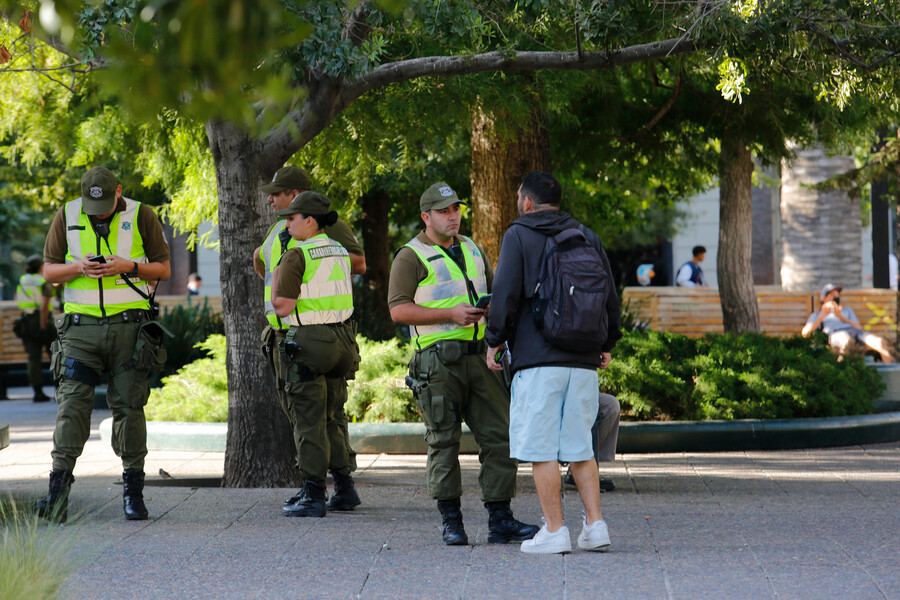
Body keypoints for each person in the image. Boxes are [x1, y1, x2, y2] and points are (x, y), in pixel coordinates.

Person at [388, 182, 538, 547]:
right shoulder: (410, 256)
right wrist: (451, 314)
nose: (452, 216)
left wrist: (490, 310)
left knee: (500, 437)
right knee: (443, 441)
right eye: (443, 211)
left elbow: (494, 289)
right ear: (426, 217)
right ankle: (451, 521)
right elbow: (397, 310)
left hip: (483, 358)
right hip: (437, 363)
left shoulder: (471, 247)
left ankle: (500, 519)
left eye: (455, 209)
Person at [485, 171, 622, 554]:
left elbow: (505, 293)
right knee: (581, 447)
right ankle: (596, 527)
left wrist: (494, 341)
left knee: (542, 448)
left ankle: (555, 530)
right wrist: (607, 342)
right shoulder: (585, 235)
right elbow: (610, 296)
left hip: (538, 360)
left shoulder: (518, 235)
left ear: (526, 201)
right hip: (582, 361)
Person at [38, 166, 171, 523]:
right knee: (72, 409)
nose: (99, 213)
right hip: (79, 331)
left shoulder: (142, 214)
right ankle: (56, 495)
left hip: (129, 330)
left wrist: (129, 266)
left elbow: (164, 269)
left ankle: (133, 494)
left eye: (106, 205)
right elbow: (49, 272)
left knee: (129, 408)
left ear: (118, 192)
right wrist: (79, 269)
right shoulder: (66, 215)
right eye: (91, 206)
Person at [253, 165, 366, 514]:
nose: (272, 200)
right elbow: (260, 260)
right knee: (315, 412)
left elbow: (357, 264)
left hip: (306, 334)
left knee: (314, 416)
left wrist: (289, 278)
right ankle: (334, 488)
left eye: (278, 194)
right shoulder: (282, 232)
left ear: (297, 198)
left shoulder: (325, 231)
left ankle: (316, 490)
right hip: (301, 333)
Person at [802, 283, 894, 363]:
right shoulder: (817, 314)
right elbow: (805, 333)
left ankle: (891, 376)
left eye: (837, 296)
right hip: (836, 335)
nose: (836, 298)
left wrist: (841, 317)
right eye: (833, 296)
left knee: (879, 342)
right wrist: (822, 315)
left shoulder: (847, 310)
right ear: (824, 298)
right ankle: (841, 372)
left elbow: (859, 328)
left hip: (856, 333)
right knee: (846, 341)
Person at [14, 254, 55, 402]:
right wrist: (43, 327)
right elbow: (44, 306)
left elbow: (17, 298)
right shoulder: (43, 281)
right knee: (54, 355)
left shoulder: (23, 280)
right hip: (41, 320)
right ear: (40, 267)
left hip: (26, 321)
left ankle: (37, 392)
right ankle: (59, 388)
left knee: (33, 358)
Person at [563, 392, 620, 492]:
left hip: (579, 391)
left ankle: (582, 466)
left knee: (610, 405)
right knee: (580, 404)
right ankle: (581, 468)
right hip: (555, 393)